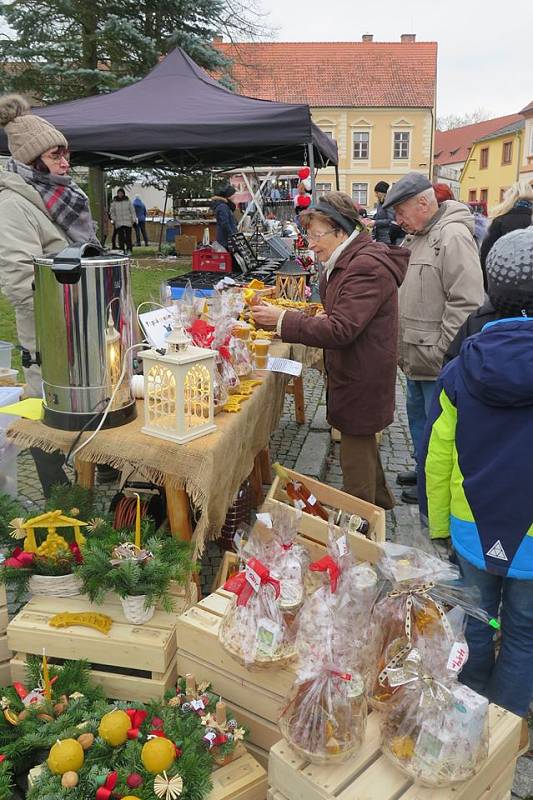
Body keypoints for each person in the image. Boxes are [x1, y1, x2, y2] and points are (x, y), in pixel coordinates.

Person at [419, 226, 533, 718]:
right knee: (526, 633)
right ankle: (505, 724)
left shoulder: (461, 369)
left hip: (471, 522)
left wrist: (439, 525)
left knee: (475, 619)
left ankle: (467, 711)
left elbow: (438, 454)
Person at [252, 191, 409, 509]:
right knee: (361, 447)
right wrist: (326, 313)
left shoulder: (365, 266)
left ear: (340, 230)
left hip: (361, 375)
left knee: (355, 457)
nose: (310, 243)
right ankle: (380, 507)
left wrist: (282, 319)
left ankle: (361, 526)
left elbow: (342, 330)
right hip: (357, 370)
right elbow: (348, 317)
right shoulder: (350, 259)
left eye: (315, 235)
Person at [0, 94, 98, 495]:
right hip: (50, 339)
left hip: (88, 327)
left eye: (66, 152)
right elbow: (22, 283)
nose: (65, 161)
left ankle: (97, 478)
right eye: (56, 154)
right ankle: (59, 504)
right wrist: (74, 298)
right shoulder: (13, 205)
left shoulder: (64, 197)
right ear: (32, 159)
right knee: (49, 419)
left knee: (95, 408)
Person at [382, 172, 484, 504]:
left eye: (401, 211)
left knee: (438, 428)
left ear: (424, 203)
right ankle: (422, 467)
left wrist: (445, 353)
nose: (397, 220)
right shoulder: (416, 236)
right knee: (419, 421)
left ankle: (433, 486)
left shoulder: (452, 236)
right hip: (416, 354)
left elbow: (467, 302)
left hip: (436, 359)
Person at [480, 180, 533, 278]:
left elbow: (485, 257)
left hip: (502, 282)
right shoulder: (530, 221)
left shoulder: (499, 221)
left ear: (509, 197)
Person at [109, 187, 136, 254]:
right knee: (121, 237)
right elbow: (112, 212)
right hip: (119, 222)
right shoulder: (114, 202)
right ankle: (122, 250)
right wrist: (114, 219)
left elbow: (132, 211)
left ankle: (129, 249)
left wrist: (133, 219)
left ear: (123, 194)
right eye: (119, 193)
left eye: (121, 193)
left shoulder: (128, 201)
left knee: (128, 237)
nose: (120, 194)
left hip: (127, 221)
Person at [210, 185, 238, 249]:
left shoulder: (225, 206)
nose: (235, 196)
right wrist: (232, 235)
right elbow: (225, 223)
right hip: (225, 239)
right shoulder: (223, 207)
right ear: (229, 196)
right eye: (233, 195)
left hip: (226, 238)